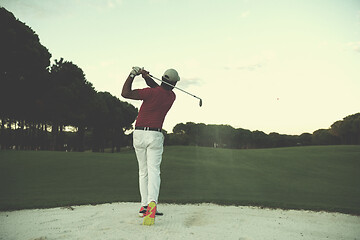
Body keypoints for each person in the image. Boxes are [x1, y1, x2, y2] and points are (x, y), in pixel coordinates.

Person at [121, 66, 180, 226]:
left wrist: (133, 74)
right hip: (155, 135)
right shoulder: (171, 96)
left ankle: (144, 206)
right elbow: (160, 89)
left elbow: (125, 93)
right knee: (154, 170)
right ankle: (152, 203)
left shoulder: (150, 93)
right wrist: (146, 77)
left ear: (162, 78)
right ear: (174, 84)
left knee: (143, 171)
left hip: (138, 134)